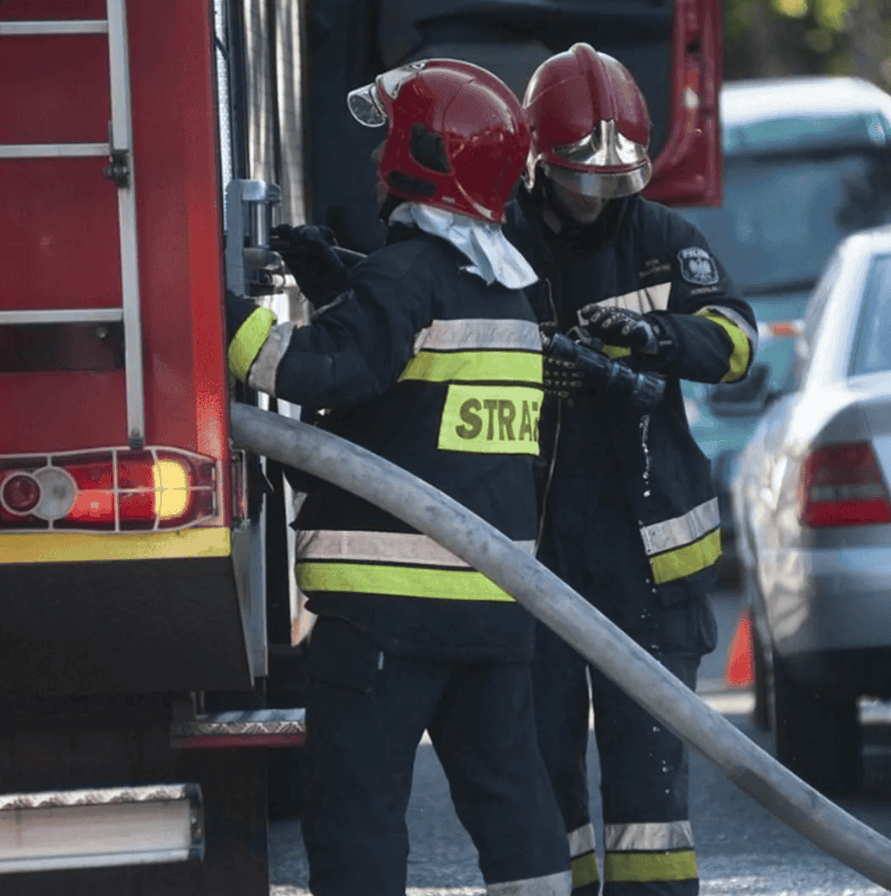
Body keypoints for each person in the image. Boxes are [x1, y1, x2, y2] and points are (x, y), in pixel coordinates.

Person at [224, 58, 569, 896]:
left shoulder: (405, 279)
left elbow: (321, 370)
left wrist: (215, 307)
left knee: (358, 809)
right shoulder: (508, 295)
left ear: (416, 154)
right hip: (492, 611)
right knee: (512, 803)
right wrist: (342, 277)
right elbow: (415, 375)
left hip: (387, 616)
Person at [504, 43, 757, 896]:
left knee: (650, 790)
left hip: (647, 565)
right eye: (581, 176)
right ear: (539, 161)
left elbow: (737, 342)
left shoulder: (663, 240)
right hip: (530, 556)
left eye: (616, 175)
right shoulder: (496, 242)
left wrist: (659, 338)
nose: (600, 194)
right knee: (544, 777)